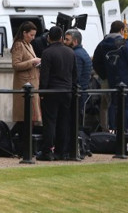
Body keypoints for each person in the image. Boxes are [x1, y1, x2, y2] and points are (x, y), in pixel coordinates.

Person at [37, 26, 76, 160]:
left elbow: (44, 76)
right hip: (66, 91)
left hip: (52, 91)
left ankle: (48, 151)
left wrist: (42, 91)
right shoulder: (70, 52)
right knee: (64, 122)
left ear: (49, 38)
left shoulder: (47, 53)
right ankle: (62, 151)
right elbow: (74, 73)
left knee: (50, 122)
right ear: (61, 38)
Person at [95, 20, 128, 132]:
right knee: (126, 105)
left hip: (111, 78)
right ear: (122, 30)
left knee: (113, 103)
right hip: (126, 78)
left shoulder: (102, 44)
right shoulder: (125, 43)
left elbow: (96, 62)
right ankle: (123, 130)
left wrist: (105, 75)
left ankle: (112, 129)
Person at [10, 21, 41, 137]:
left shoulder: (29, 45)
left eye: (34, 35)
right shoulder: (18, 44)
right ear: (24, 33)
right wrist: (32, 62)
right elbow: (16, 65)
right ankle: (15, 141)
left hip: (32, 83)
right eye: (31, 35)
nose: (33, 38)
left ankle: (19, 142)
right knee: (24, 117)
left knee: (29, 118)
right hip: (24, 84)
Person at [67, 29, 91, 131]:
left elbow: (76, 76)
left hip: (77, 93)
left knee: (73, 120)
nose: (64, 42)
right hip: (82, 91)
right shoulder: (83, 52)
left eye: (67, 40)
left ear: (75, 41)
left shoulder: (76, 55)